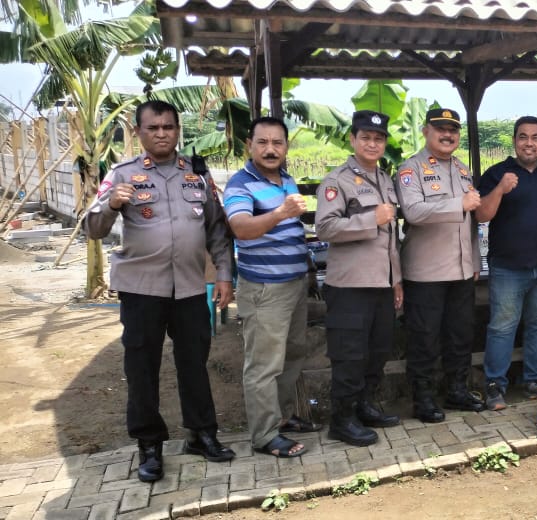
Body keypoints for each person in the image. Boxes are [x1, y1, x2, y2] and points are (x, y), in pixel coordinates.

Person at [82, 100, 235, 482]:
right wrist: (112, 206)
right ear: (139, 132)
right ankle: (149, 446)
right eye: (154, 128)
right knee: (142, 368)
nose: (162, 133)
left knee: (194, 365)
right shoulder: (121, 175)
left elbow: (217, 230)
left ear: (178, 130)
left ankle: (201, 434)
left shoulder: (197, 175)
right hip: (141, 289)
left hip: (188, 287)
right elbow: (93, 229)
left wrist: (225, 276)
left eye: (169, 127)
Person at [223, 116, 318, 458]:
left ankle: (280, 419)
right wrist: (279, 213)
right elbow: (242, 228)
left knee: (291, 355)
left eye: (277, 142)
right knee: (264, 363)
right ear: (249, 145)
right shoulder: (240, 185)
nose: (270, 149)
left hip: (293, 285)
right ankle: (264, 435)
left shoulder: (286, 180)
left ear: (286, 147)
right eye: (262, 142)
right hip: (264, 288)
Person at [315, 110, 404, 446]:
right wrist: (370, 218)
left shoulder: (385, 179)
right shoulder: (336, 181)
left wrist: (396, 280)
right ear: (352, 140)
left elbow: (391, 238)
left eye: (378, 138)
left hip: (381, 284)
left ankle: (364, 406)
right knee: (349, 355)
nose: (372, 143)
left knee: (377, 351)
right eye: (365, 137)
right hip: (350, 286)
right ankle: (341, 419)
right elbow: (324, 228)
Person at [395, 108, 485, 423]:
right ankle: (423, 398)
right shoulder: (411, 169)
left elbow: (471, 221)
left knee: (460, 334)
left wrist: (474, 258)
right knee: (425, 337)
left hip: (460, 269)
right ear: (425, 131)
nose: (448, 135)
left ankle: (457, 391)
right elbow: (414, 212)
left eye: (453, 130)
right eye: (440, 129)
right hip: (427, 272)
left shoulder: (463, 170)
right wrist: (457, 203)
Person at [475, 116, 537, 410]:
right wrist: (500, 189)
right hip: (507, 266)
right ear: (514, 141)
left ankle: (534, 380)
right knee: (502, 327)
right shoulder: (496, 173)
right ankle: (494, 385)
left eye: (535, 137)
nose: (529, 143)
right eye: (523, 137)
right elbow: (481, 216)